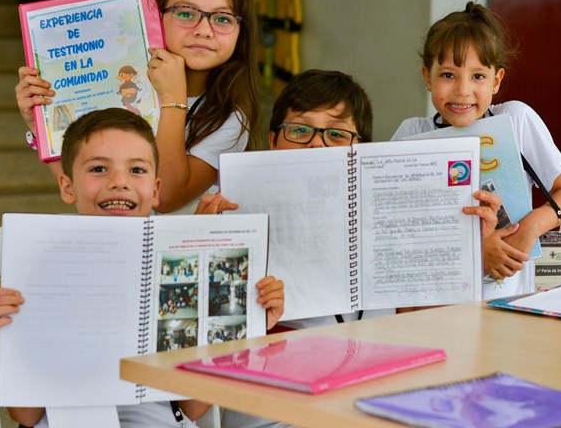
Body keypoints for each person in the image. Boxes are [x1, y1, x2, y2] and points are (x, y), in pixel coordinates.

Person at [207, 69, 501, 428]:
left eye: (336, 134)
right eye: (299, 130)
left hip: (372, 407)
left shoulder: (391, 215)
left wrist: (469, 247)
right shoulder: (232, 217)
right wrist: (206, 245)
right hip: (274, 412)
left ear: (360, 148)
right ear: (272, 140)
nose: (316, 145)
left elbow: (425, 322)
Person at [0, 108, 284, 428]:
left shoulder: (181, 274)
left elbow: (194, 408)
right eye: (99, 168)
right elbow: (25, 415)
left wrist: (243, 327)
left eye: (136, 170)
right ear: (67, 186)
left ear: (155, 191)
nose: (119, 182)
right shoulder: (35, 274)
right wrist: (9, 332)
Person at [14, 0, 260, 213]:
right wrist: (40, 125)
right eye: (186, 13)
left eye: (222, 19)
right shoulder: (125, 88)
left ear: (240, 32)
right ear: (155, 17)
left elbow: (163, 197)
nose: (204, 30)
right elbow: (80, 187)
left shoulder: (229, 119)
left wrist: (173, 99)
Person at [391, 2, 561, 299]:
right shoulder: (411, 134)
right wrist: (474, 251)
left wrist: (532, 226)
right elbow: (392, 226)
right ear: (427, 78)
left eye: (478, 76)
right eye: (447, 75)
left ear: (497, 81)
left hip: (512, 298)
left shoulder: (516, 119)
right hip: (436, 299)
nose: (462, 90)